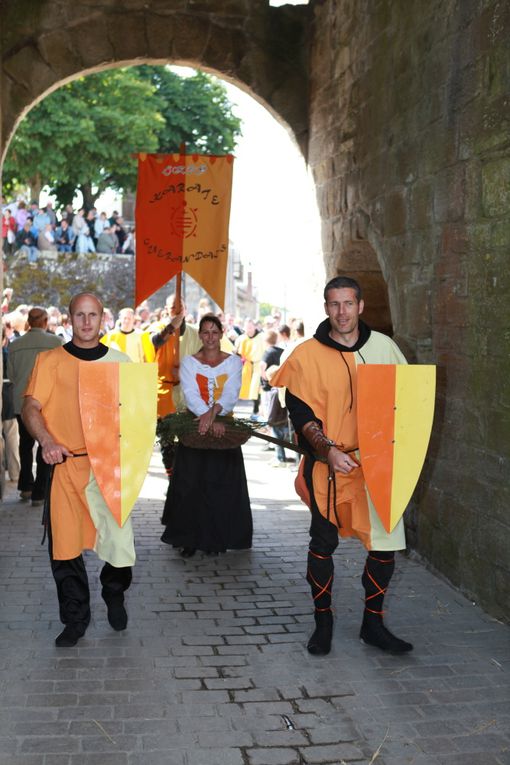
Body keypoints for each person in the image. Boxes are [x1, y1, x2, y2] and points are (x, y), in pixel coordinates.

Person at [271, 276, 413, 656]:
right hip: (327, 465)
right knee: (323, 543)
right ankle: (323, 621)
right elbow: (299, 412)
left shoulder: (385, 349)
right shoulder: (307, 354)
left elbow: (407, 404)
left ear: (360, 306)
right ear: (326, 308)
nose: (342, 312)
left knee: (384, 545)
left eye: (348, 304)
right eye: (334, 304)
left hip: (377, 463)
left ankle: (373, 623)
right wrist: (326, 449)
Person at [21, 293, 135, 648]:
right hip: (65, 467)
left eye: (93, 315)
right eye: (79, 315)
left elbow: (135, 417)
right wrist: (47, 441)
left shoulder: (121, 362)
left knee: (119, 545)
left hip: (107, 469)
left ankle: (114, 592)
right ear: (69, 319)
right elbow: (30, 407)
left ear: (103, 319)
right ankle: (75, 618)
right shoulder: (50, 360)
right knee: (66, 550)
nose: (86, 322)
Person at [161, 314, 252, 556]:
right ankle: (189, 539)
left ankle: (217, 538)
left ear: (222, 334)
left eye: (214, 332)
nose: (210, 337)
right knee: (192, 486)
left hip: (224, 426)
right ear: (200, 335)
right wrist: (207, 419)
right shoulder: (190, 362)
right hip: (195, 426)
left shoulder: (233, 362)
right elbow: (191, 394)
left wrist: (213, 416)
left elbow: (231, 393)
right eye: (205, 332)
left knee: (220, 487)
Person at [8, 307, 63, 505]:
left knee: (25, 445)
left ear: (29, 322)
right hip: (47, 403)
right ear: (45, 321)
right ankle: (40, 492)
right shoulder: (56, 343)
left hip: (21, 402)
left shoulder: (15, 345)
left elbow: (12, 376)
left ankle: (25, 487)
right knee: (45, 444)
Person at [235, 318, 266, 420]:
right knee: (248, 388)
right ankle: (255, 409)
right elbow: (237, 352)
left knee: (256, 388)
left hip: (258, 364)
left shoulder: (262, 337)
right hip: (247, 365)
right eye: (247, 327)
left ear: (254, 327)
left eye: (251, 327)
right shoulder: (241, 338)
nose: (249, 329)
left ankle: (256, 409)